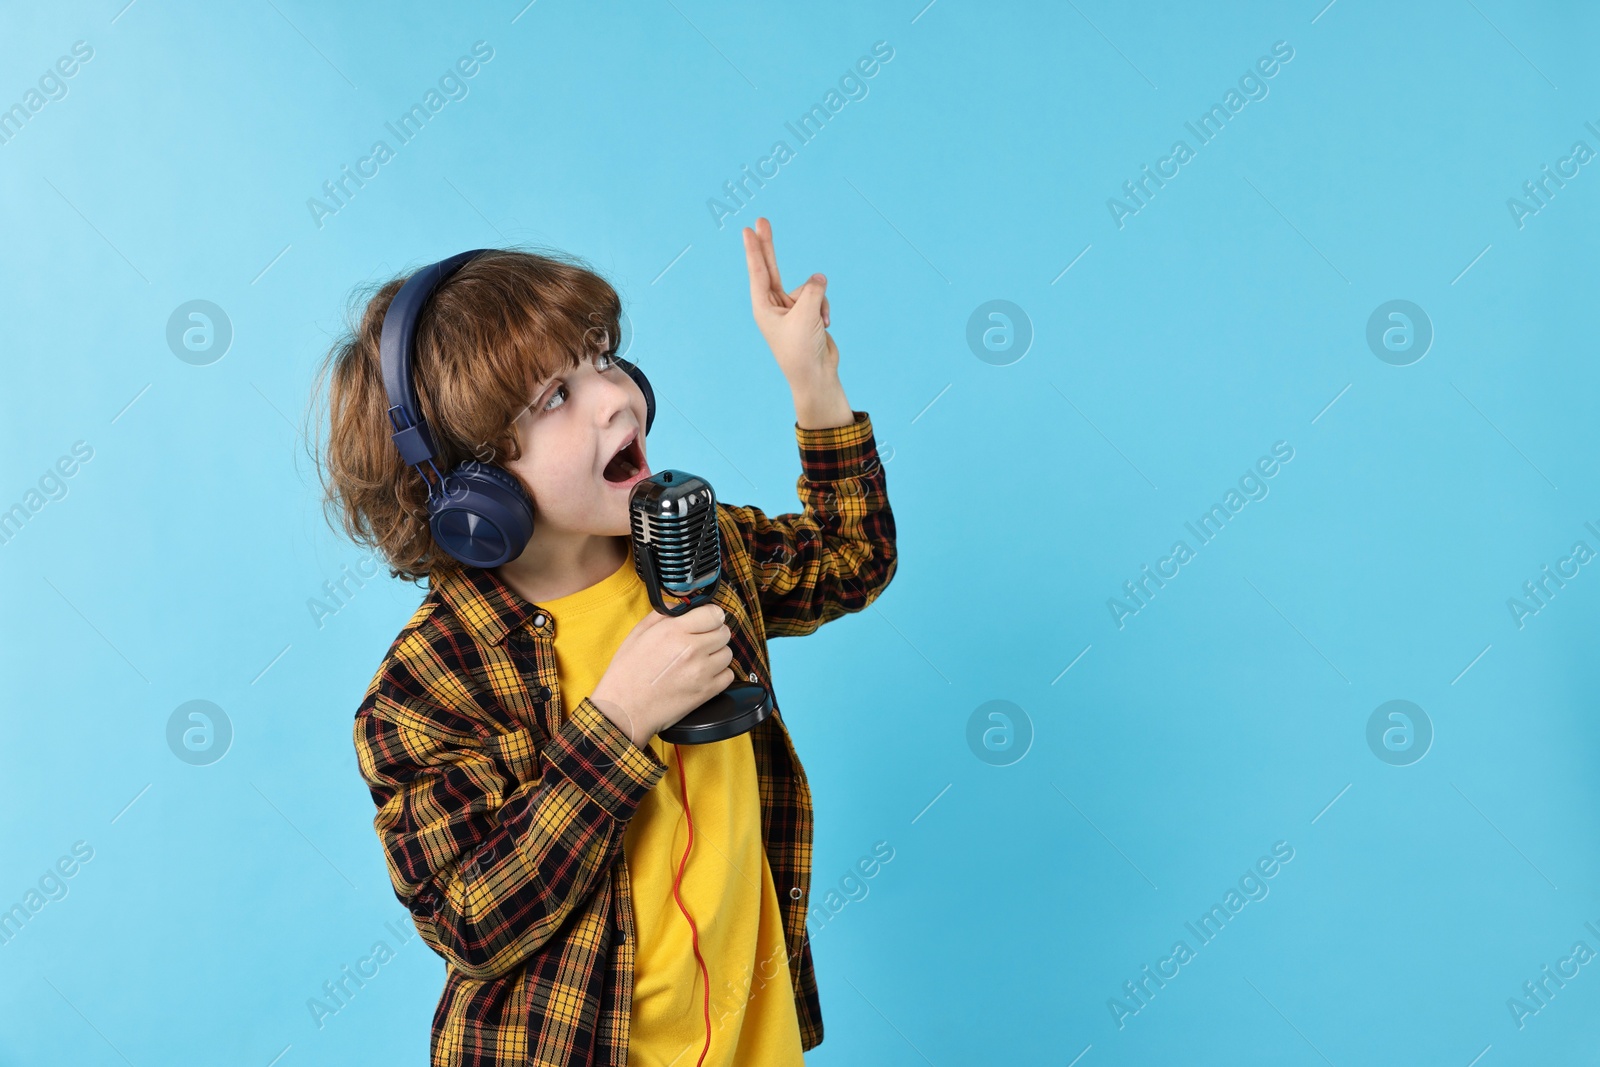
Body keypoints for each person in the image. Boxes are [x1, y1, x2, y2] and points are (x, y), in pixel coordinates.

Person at [313, 217, 898, 1066]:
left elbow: (853, 560)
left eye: (603, 358)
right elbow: (472, 916)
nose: (618, 396)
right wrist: (618, 719)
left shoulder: (692, 543)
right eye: (555, 397)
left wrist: (814, 381)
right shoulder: (430, 682)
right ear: (473, 492)